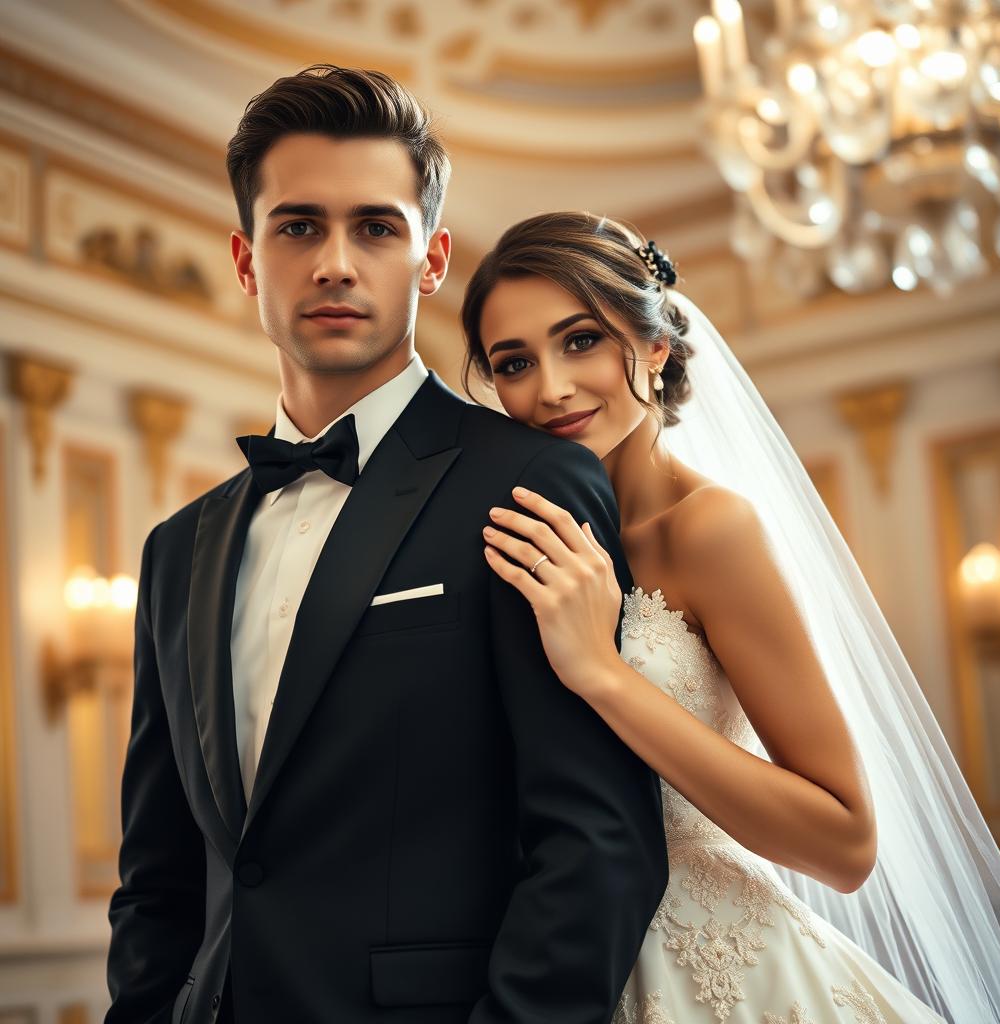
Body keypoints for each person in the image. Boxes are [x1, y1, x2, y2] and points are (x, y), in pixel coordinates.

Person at [104, 70, 669, 1024]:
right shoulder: (175, 552)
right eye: (297, 227)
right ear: (247, 261)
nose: (334, 263)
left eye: (375, 228)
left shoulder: (530, 480)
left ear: (432, 259)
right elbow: (157, 874)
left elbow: (596, 842)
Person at [462, 211, 1000, 1024]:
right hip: (552, 972)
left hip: (727, 972)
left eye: (580, 340)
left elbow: (844, 841)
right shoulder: (520, 540)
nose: (549, 388)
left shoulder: (709, 529)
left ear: (653, 348)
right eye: (515, 362)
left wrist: (604, 675)